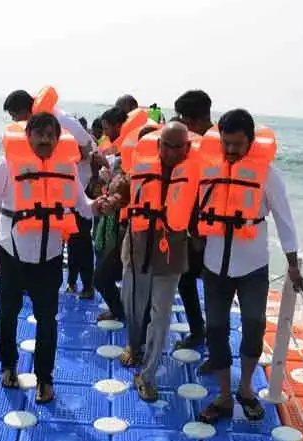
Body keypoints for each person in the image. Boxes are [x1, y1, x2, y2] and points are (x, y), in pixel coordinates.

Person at [0, 112, 94, 404]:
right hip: (11, 253)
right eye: (40, 134)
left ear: (57, 137)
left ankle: (45, 378)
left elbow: (82, 205)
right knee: (7, 313)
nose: (46, 139)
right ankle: (8, 365)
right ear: (29, 136)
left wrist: (100, 205)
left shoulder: (67, 168)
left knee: (48, 319)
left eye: (51, 134)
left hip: (49, 257)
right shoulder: (8, 165)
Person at [195, 109, 303, 423]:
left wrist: (293, 264)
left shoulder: (268, 175)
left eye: (237, 144)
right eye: (226, 143)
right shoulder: (209, 169)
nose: (230, 150)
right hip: (214, 263)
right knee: (215, 329)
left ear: (251, 141)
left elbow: (285, 221)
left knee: (254, 325)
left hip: (253, 265)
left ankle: (246, 389)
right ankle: (225, 396)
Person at [118, 122, 197, 400]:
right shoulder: (140, 167)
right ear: (158, 145)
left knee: (161, 315)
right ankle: (133, 345)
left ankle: (147, 374)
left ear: (187, 147)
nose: (173, 152)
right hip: (139, 243)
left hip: (171, 249)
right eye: (167, 145)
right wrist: (115, 193)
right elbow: (122, 188)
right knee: (133, 304)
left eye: (179, 146)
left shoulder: (195, 173)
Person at [3, 89, 96, 297]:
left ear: (25, 111)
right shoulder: (22, 148)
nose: (15, 120)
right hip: (48, 194)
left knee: (79, 240)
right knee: (50, 235)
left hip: (73, 186)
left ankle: (87, 285)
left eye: (15, 115)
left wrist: (81, 159)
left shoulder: (61, 120)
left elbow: (87, 142)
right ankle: (57, 283)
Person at [169, 89, 213, 349]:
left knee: (205, 286)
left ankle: (202, 336)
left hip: (207, 231)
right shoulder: (222, 141)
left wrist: (198, 233)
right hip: (205, 228)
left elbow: (203, 192)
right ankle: (202, 333)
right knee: (189, 281)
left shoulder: (204, 147)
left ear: (191, 121)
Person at [90, 107, 138, 322]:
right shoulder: (120, 154)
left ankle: (125, 315)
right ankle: (121, 311)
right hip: (120, 223)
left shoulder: (130, 155)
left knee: (102, 276)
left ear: (120, 126)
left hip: (132, 227)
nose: (106, 133)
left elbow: (126, 189)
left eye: (108, 128)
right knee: (106, 274)